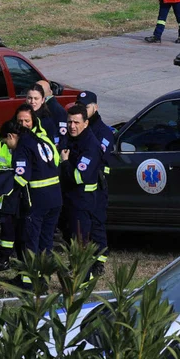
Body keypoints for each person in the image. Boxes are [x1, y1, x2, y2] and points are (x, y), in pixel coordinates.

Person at [59, 105, 105, 277]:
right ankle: (77, 270)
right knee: (72, 238)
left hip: (82, 200)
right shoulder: (69, 138)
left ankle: (84, 277)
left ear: (85, 123)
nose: (72, 126)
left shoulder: (90, 146)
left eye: (76, 122)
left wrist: (64, 163)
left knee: (80, 241)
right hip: (69, 198)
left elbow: (78, 177)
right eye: (70, 122)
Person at [11, 115, 61, 259]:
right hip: (55, 198)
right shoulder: (42, 140)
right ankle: (43, 277)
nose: (7, 146)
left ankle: (28, 280)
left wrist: (6, 189)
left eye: (6, 142)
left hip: (38, 200)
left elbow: (21, 176)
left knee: (32, 240)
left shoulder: (23, 146)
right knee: (46, 241)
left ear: (11, 136)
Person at [77, 91, 114, 274]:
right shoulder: (78, 128)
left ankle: (99, 262)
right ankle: (80, 259)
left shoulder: (103, 132)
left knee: (97, 223)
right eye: (80, 105)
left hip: (97, 185)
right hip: (78, 187)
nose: (83, 109)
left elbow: (99, 156)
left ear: (95, 108)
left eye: (87, 106)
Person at [0, 121, 25, 274]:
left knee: (20, 230)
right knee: (6, 229)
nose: (5, 145)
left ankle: (17, 260)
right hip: (7, 195)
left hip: (21, 195)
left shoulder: (26, 148)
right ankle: (3, 259)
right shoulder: (6, 148)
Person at [27, 81, 68, 146]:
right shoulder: (23, 113)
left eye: (36, 98)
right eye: (30, 98)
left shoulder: (53, 111)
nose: (32, 101)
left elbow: (61, 134)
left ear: (42, 99)